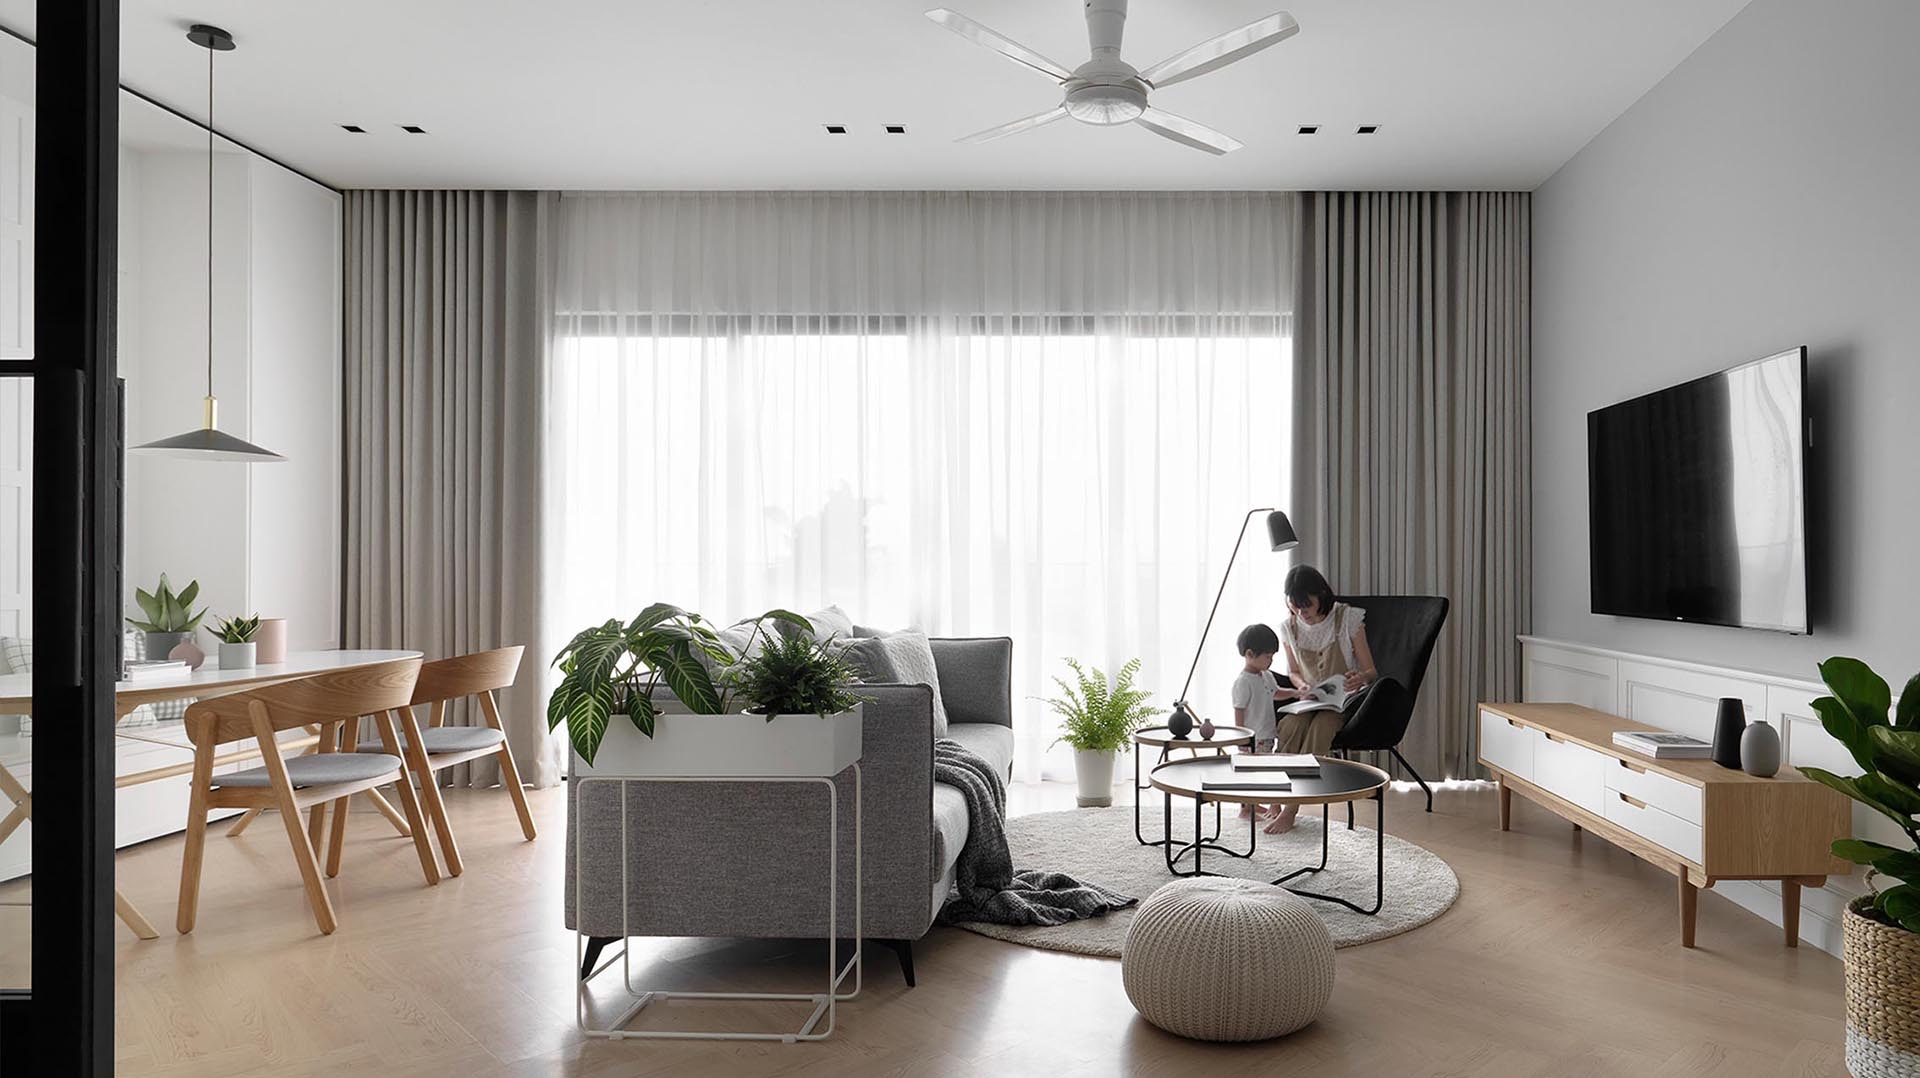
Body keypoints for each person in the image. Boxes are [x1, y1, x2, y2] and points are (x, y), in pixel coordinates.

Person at [1265, 564, 1378, 834]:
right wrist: (1301, 684)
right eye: (1295, 606)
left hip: (1341, 701)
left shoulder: (1347, 618)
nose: (1302, 612)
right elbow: (1292, 671)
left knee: (1319, 732)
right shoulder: (1289, 626)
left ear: (1321, 595)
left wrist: (1358, 678)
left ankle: (1292, 808)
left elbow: (1372, 671)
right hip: (1309, 699)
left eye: (1307, 605)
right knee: (1289, 729)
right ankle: (1276, 797)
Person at [1228, 623, 1289, 823]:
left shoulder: (1266, 676)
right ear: (1249, 654)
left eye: (1272, 656)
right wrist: (1243, 738)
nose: (1270, 661)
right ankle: (1246, 808)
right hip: (1253, 737)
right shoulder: (1243, 681)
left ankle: (1253, 804)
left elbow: (1276, 693)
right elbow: (1239, 709)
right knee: (1251, 773)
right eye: (1267, 656)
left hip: (1267, 734)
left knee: (1264, 770)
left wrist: (1299, 693)